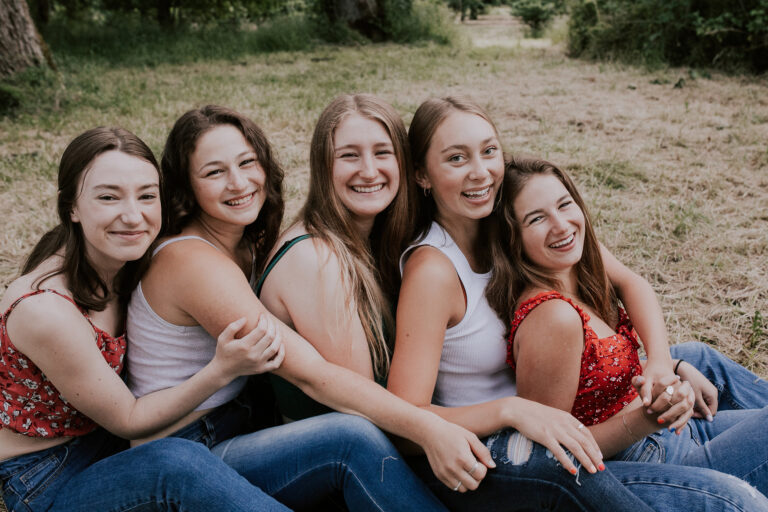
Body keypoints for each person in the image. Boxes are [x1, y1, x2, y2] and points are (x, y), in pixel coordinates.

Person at [386, 96, 768, 511]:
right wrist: (510, 411)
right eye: (457, 158)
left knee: (699, 359)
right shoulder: (436, 270)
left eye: (489, 151)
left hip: (607, 418)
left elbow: (626, 280)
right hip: (528, 454)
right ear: (422, 175)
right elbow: (406, 421)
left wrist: (661, 362)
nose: (481, 171)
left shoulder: (504, 225)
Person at [126, 104, 497, 511]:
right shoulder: (192, 263)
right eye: (214, 172)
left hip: (238, 427)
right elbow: (317, 376)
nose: (238, 182)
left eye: (247, 162)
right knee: (352, 439)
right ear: (187, 186)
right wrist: (429, 427)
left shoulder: (247, 245)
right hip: (190, 453)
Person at [0, 127, 304, 511]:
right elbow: (128, 419)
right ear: (71, 208)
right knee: (177, 463)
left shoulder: (125, 259)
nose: (132, 215)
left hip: (108, 449)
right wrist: (220, 369)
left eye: (146, 196)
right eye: (108, 197)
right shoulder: (45, 309)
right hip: (47, 478)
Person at [498, 155, 768, 494]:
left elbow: (633, 284)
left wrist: (661, 363)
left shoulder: (576, 259)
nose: (561, 225)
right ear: (512, 237)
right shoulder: (552, 317)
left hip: (674, 433)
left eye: (564, 205)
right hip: (653, 465)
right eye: (536, 218)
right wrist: (651, 416)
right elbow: (552, 454)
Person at [256, 93, 412, 421]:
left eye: (383, 152)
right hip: (331, 458)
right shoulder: (314, 260)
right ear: (324, 165)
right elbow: (367, 412)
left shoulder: (375, 242)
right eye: (349, 156)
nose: (369, 171)